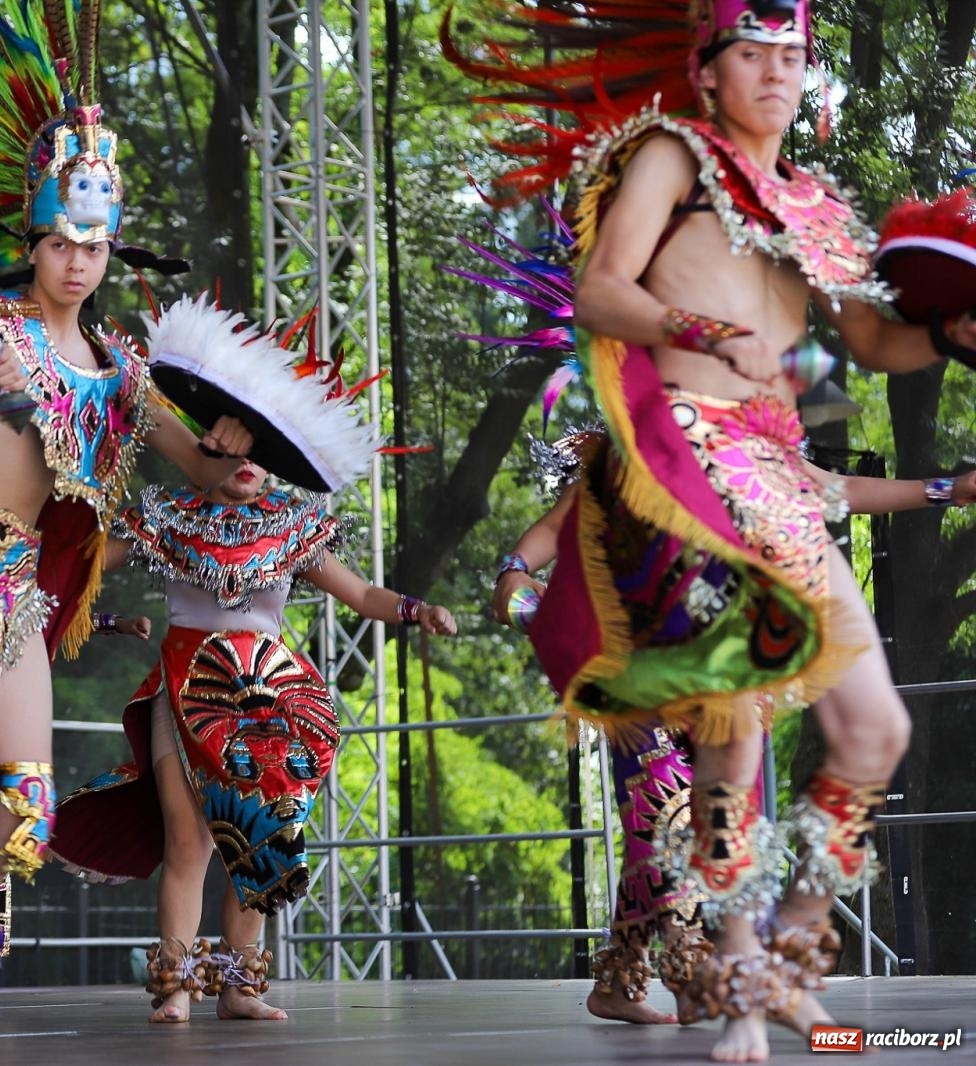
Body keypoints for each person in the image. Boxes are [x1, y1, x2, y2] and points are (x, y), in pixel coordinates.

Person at [448, 1, 976, 1059]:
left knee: (875, 730)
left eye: (791, 55)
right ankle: (736, 982)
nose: (775, 73)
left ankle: (788, 948)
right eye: (752, 52)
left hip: (780, 473)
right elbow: (603, 291)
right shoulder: (670, 155)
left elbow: (869, 340)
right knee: (730, 732)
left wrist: (949, 329)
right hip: (687, 457)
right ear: (707, 66)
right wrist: (695, 327)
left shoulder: (814, 205)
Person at [0, 2, 269, 1053]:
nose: (78, 259)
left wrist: (232, 457)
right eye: (62, 239)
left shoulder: (118, 369)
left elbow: (189, 459)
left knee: (17, 805)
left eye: (96, 242)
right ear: (33, 239)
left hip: (19, 587)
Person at [493, 432, 976, 1028]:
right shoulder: (634, 445)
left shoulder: (747, 437)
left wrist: (944, 490)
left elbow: (835, 489)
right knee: (664, 808)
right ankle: (694, 971)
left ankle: (622, 976)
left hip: (716, 670)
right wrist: (514, 570)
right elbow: (552, 528)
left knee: (689, 821)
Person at [53, 461, 456, 1023]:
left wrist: (419, 610)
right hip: (186, 688)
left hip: (268, 703)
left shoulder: (294, 527)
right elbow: (80, 561)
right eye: (236, 444)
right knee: (188, 842)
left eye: (260, 450)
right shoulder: (168, 518)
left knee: (264, 842)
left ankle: (240, 987)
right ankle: (175, 985)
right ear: (206, 447)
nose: (248, 463)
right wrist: (38, 529)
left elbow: (363, 594)